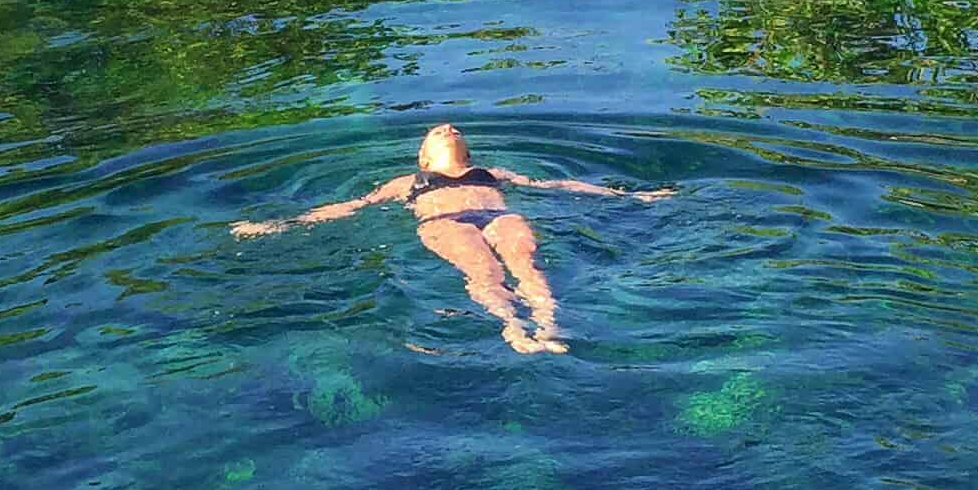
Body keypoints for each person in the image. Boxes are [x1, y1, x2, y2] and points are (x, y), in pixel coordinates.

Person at [233, 122, 670, 356]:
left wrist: (633, 195)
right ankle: (513, 327)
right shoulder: (407, 181)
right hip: (445, 222)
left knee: (526, 266)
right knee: (485, 271)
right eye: (438, 131)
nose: (447, 125)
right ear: (424, 156)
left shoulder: (493, 174)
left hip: (498, 213)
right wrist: (279, 225)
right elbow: (349, 208)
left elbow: (557, 186)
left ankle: (548, 323)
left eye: (452, 130)